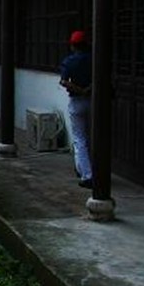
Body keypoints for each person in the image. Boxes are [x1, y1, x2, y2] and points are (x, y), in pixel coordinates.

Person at [59, 31, 93, 189]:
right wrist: (87, 89)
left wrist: (80, 90)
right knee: (93, 137)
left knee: (80, 139)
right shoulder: (94, 59)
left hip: (77, 101)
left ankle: (86, 174)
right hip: (94, 101)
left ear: (72, 46)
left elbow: (64, 81)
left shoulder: (69, 61)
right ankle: (86, 169)